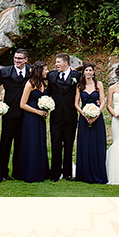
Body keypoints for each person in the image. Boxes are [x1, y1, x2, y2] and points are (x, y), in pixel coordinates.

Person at [0, 48, 30, 179]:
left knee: (21, 144)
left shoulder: (31, 71)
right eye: (15, 58)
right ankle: (3, 172)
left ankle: (18, 171)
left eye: (20, 58)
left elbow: (46, 74)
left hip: (26, 114)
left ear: (26, 60)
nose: (17, 60)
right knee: (6, 143)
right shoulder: (5, 72)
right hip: (10, 114)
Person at [47, 52, 80, 181]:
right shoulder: (51, 75)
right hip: (56, 116)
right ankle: (55, 173)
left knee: (69, 144)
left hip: (70, 115)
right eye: (56, 62)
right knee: (55, 144)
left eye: (58, 62)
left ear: (66, 63)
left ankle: (67, 173)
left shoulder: (76, 75)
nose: (56, 64)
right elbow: (47, 92)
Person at [74, 63, 108, 184]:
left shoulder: (99, 84)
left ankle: (98, 172)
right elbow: (76, 103)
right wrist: (84, 114)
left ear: (93, 72)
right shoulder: (80, 85)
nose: (88, 72)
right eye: (86, 70)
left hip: (97, 118)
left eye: (90, 70)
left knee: (97, 144)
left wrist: (96, 114)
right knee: (85, 144)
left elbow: (103, 101)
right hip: (84, 118)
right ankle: (85, 174)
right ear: (83, 72)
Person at [17, 60, 50, 183]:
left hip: (40, 117)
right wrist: (37, 112)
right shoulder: (30, 84)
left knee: (40, 142)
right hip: (31, 117)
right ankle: (29, 172)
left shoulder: (43, 83)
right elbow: (22, 104)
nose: (47, 71)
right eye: (45, 69)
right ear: (39, 71)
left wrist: (46, 109)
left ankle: (40, 170)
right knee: (31, 142)